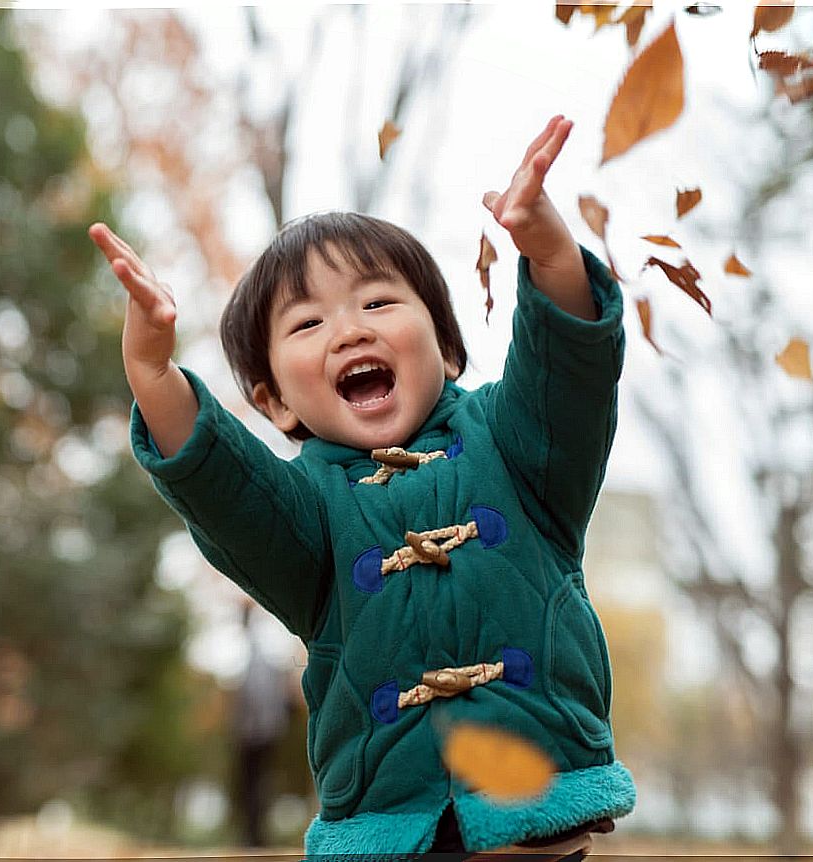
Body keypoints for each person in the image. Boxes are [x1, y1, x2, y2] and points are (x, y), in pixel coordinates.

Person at [89, 115, 635, 856]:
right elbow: (226, 491)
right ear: (276, 402)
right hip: (395, 829)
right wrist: (154, 375)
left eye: (378, 303)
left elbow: (567, 377)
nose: (350, 330)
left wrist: (548, 251)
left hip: (540, 812)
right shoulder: (308, 515)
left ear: (445, 347)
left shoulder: (512, 445)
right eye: (308, 323)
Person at [232, 601, 294, 847]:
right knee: (250, 786)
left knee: (257, 785)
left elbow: (262, 695)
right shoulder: (253, 652)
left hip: (258, 733)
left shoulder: (262, 651)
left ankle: (255, 838)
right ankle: (251, 836)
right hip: (253, 732)